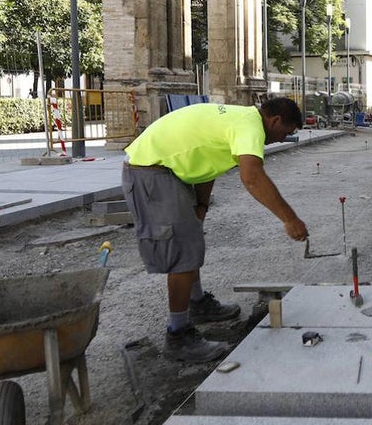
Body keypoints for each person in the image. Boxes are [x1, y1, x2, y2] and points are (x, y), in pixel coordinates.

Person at [121, 98, 308, 362]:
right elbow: (252, 177)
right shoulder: (250, 127)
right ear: (275, 121)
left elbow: (208, 164)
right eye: (285, 133)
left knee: (192, 239)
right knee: (182, 253)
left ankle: (197, 304)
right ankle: (178, 335)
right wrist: (290, 219)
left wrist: (201, 205)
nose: (280, 139)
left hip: (168, 170)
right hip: (151, 170)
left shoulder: (242, 119)